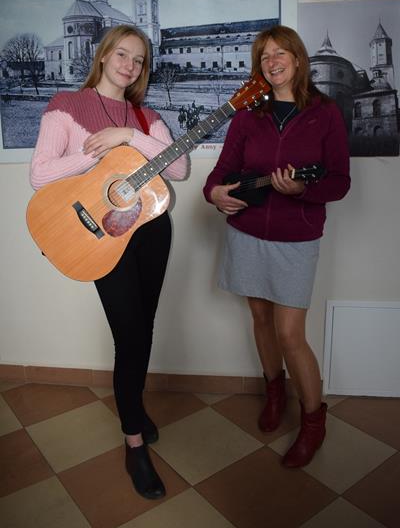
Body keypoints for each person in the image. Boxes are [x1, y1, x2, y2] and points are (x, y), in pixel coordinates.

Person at [30, 25, 188, 497]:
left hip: (151, 231)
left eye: (139, 60)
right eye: (122, 54)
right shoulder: (65, 105)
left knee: (144, 328)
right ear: (103, 56)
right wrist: (96, 158)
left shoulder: (145, 115)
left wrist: (129, 135)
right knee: (129, 334)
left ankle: (133, 410)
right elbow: (40, 174)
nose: (129, 66)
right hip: (104, 235)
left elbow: (179, 167)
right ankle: (134, 443)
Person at [203, 25, 350, 468]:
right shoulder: (248, 115)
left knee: (290, 334)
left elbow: (339, 182)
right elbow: (222, 171)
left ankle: (313, 421)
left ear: (298, 59)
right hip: (246, 232)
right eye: (264, 56)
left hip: (296, 238)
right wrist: (214, 193)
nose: (272, 61)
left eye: (280, 53)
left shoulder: (325, 113)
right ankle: (274, 393)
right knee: (261, 320)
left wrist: (301, 191)